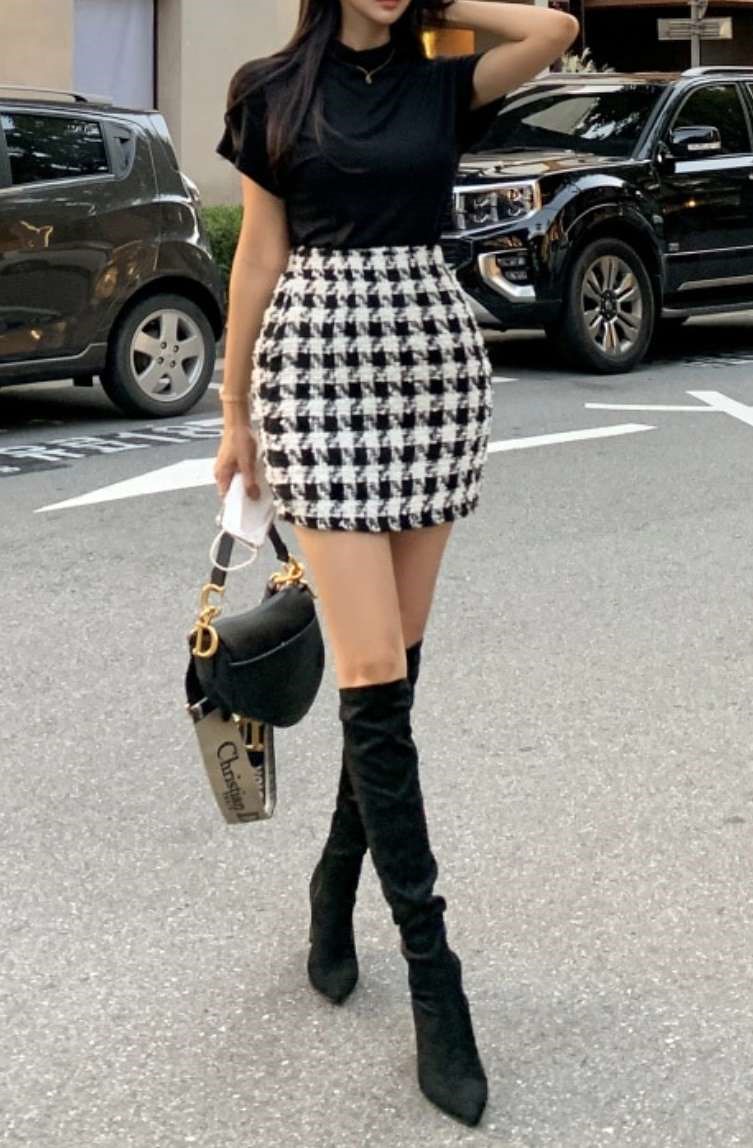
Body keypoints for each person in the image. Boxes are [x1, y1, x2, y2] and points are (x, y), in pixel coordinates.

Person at [214, 0, 577, 1127]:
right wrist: (234, 412)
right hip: (316, 371)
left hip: (430, 365)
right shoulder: (268, 88)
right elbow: (259, 254)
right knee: (370, 673)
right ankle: (435, 977)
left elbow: (554, 30)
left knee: (393, 680)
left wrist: (440, 1)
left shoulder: (438, 76)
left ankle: (334, 885)